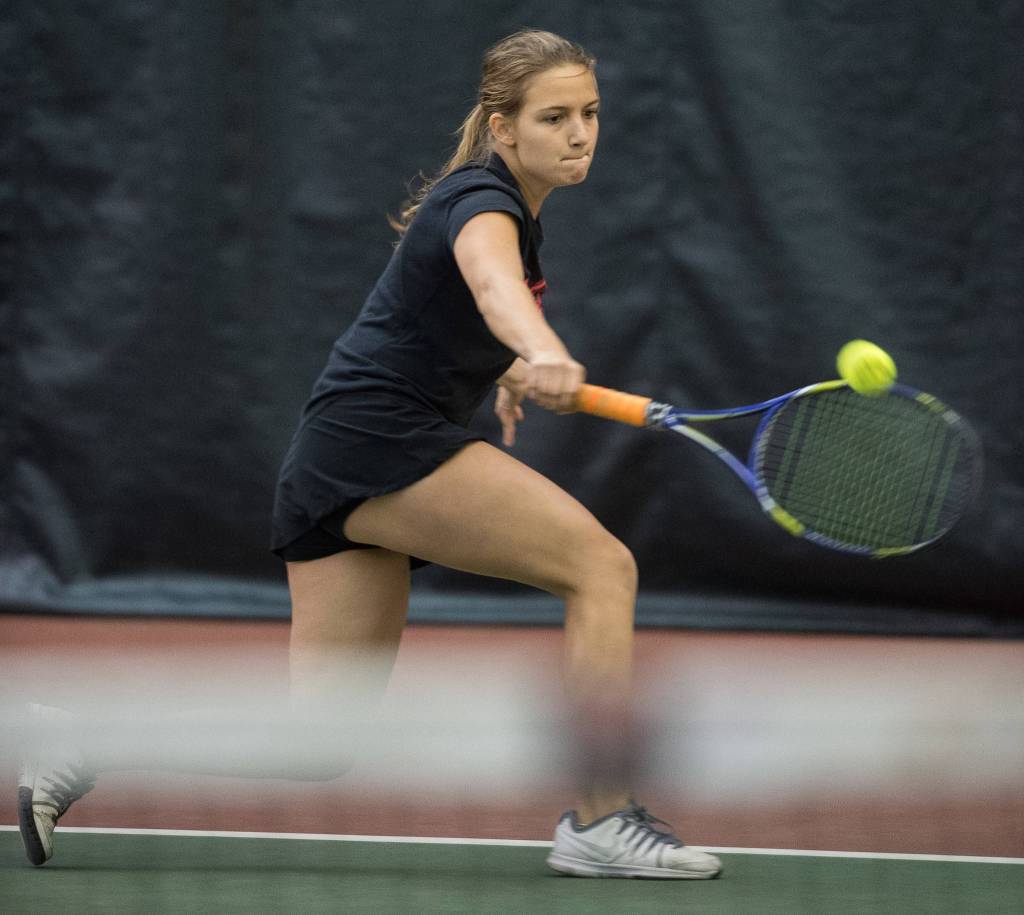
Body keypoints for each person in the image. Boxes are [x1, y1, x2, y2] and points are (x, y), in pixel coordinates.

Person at [19, 29, 721, 880]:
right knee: (602, 567)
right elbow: (491, 285)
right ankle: (601, 817)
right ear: (503, 127)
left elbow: (437, 312)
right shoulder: (483, 202)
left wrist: (504, 370)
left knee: (317, 741)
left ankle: (80, 740)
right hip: (378, 441)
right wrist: (539, 347)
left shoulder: (506, 208)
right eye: (555, 117)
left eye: (591, 113)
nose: (580, 134)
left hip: (338, 455)